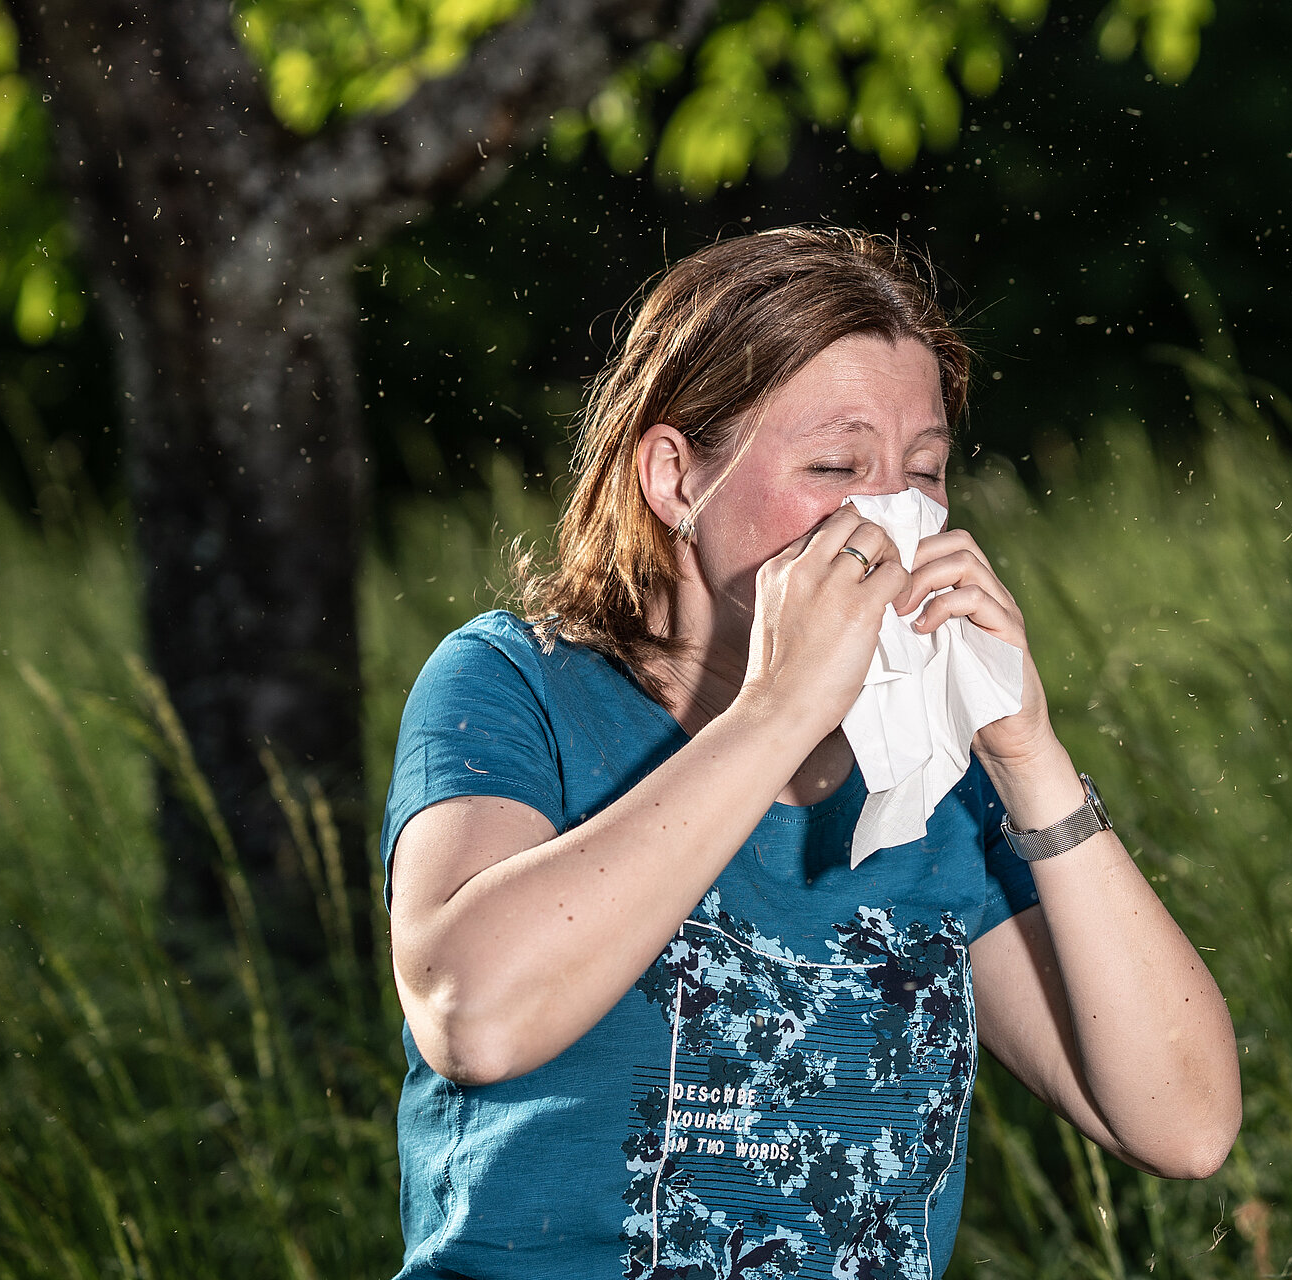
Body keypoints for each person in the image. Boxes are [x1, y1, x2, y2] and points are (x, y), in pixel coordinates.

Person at [380, 227, 1240, 1279]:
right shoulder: (516, 682)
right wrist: (779, 708)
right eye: (834, 466)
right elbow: (475, 1015)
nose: (890, 516)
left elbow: (1184, 1123)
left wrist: (1028, 754)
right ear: (673, 476)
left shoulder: (937, 770)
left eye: (921, 472)